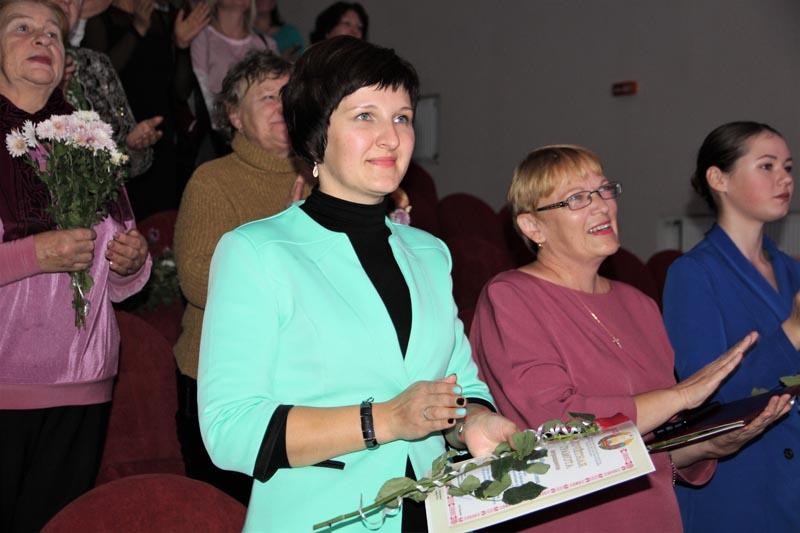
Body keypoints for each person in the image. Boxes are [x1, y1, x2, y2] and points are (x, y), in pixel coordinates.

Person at [198, 36, 517, 532]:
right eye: (365, 116)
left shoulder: (430, 254)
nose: (391, 137)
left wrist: (473, 422)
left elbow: (461, 384)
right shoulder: (256, 252)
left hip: (433, 514)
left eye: (402, 118)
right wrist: (383, 420)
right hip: (320, 518)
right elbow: (231, 429)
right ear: (316, 135)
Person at [469, 144, 791, 532]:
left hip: (654, 516)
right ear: (533, 227)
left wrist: (710, 445)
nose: (601, 205)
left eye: (605, 190)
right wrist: (682, 395)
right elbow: (556, 424)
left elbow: (652, 446)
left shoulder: (639, 304)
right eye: (577, 198)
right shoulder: (511, 295)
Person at [0, 0, 150, 530]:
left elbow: (122, 272)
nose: (43, 39)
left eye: (53, 34)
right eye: (22, 28)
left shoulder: (90, 142)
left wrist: (131, 263)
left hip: (83, 380)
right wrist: (33, 255)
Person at [173, 49, 302, 504]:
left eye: (290, 94)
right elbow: (197, 281)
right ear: (234, 116)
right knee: (232, 513)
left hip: (303, 379)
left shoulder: (326, 179)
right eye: (268, 96)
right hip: (223, 381)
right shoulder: (213, 181)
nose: (283, 105)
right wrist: (288, 233)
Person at [663, 122, 800, 532]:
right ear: (718, 178)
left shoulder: (792, 270)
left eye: (788, 167)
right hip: (743, 488)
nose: (784, 179)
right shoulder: (692, 274)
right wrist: (791, 334)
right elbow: (707, 398)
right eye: (767, 166)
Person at [83, 0, 208, 219]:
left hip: (160, 136)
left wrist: (182, 46)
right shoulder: (100, 19)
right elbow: (100, 78)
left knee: (162, 219)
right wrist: (137, 30)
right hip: (120, 141)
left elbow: (180, 91)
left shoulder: (163, 19)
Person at [55, 0, 160, 179]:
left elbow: (126, 164)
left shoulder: (96, 64)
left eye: (76, 0)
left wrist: (131, 147)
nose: (67, 2)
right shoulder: (17, 64)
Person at [190, 0, 275, 141]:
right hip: (218, 136)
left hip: (260, 134)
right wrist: (223, 132)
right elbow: (202, 92)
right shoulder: (202, 37)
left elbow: (274, 94)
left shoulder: (265, 43)